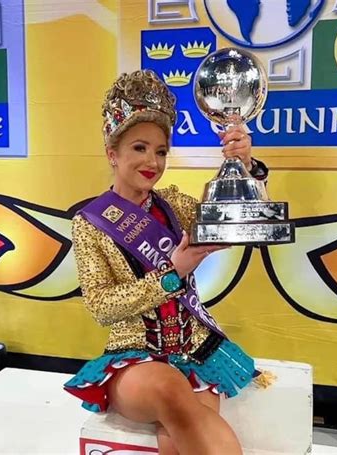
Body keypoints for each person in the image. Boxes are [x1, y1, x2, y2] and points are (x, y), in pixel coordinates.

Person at [64, 69, 270, 455]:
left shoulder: (174, 205)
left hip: (194, 351)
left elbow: (238, 226)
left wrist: (246, 168)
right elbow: (102, 306)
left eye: (160, 151)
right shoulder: (90, 222)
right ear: (112, 153)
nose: (152, 161)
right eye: (140, 148)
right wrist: (172, 273)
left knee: (179, 438)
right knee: (172, 392)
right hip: (133, 356)